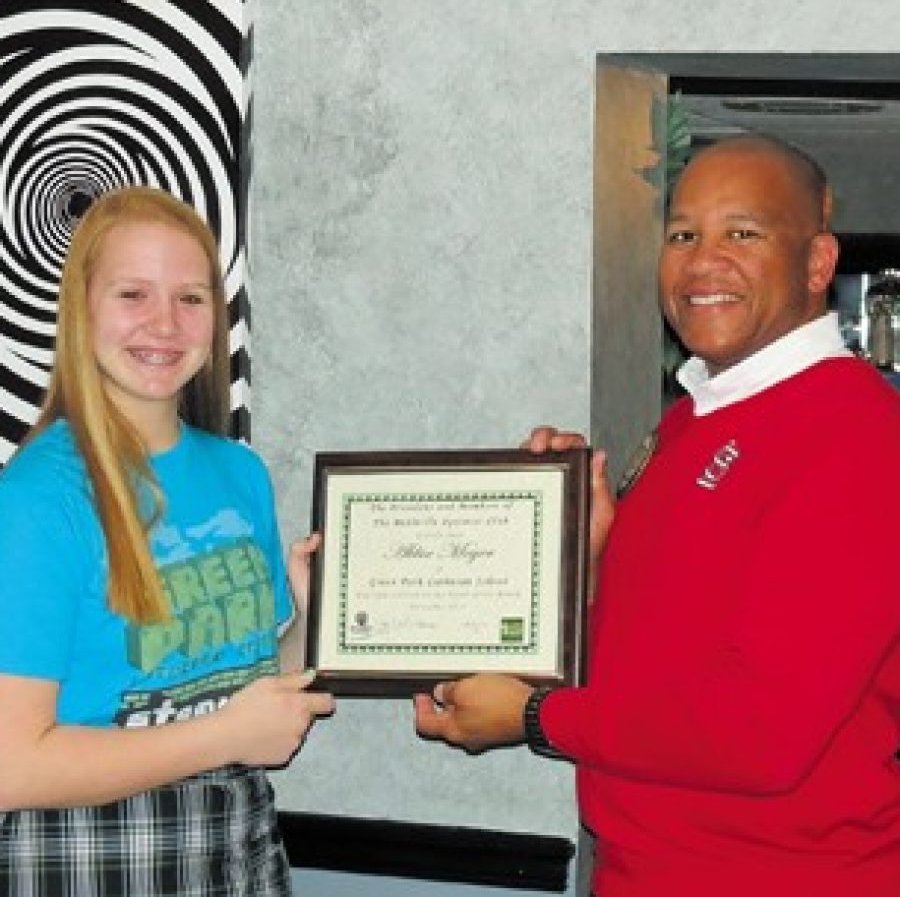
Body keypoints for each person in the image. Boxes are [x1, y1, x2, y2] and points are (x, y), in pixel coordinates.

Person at [414, 134, 900, 895]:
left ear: (817, 263)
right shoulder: (693, 418)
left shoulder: (857, 434)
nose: (704, 260)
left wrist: (537, 717)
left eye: (743, 232)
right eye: (683, 234)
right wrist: (587, 547)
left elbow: (760, 732)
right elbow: (668, 649)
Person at [0, 187, 334, 896]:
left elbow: (236, 691)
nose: (165, 323)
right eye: (132, 294)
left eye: (191, 298)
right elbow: (10, 767)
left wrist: (308, 620)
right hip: (88, 853)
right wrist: (228, 739)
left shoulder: (237, 472)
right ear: (81, 310)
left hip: (236, 837)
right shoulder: (37, 500)